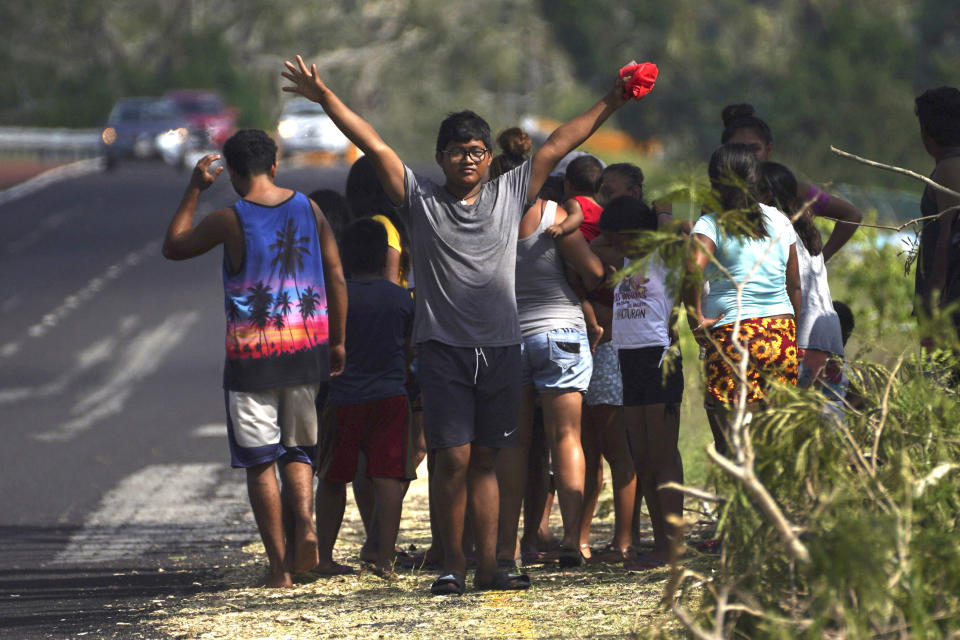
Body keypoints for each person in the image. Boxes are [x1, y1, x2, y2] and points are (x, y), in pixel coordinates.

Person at [281, 54, 648, 594]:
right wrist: (324, 98)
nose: (469, 159)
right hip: (442, 350)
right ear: (441, 157)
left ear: (487, 156)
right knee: (450, 460)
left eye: (477, 150)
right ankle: (452, 563)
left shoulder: (508, 194)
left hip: (502, 348)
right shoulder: (421, 200)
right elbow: (377, 145)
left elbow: (556, 145)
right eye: (458, 151)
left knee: (488, 460)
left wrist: (614, 100)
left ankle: (494, 563)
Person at [161, 130, 347, 588]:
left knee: (260, 460)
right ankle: (304, 523)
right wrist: (338, 341)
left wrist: (194, 188)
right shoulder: (310, 208)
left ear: (237, 174)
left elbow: (175, 245)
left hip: (253, 359)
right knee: (300, 450)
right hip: (306, 351)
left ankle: (280, 570)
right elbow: (336, 275)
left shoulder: (231, 219)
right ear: (276, 165)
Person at [491, 134, 606, 570]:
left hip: (509, 338)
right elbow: (593, 272)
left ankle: (509, 546)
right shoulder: (554, 216)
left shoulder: (487, 222)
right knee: (566, 438)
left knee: (514, 445)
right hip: (561, 333)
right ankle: (575, 542)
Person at [684, 143, 801, 454]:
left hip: (732, 337)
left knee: (732, 446)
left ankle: (738, 500)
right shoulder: (779, 219)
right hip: (780, 336)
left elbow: (691, 272)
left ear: (714, 181)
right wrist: (794, 336)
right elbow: (795, 285)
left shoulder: (711, 223)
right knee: (773, 440)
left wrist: (695, 318)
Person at [315, 218, 415, 579]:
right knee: (389, 476)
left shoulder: (336, 297)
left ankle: (323, 557)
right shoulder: (400, 297)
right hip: (391, 397)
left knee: (332, 476)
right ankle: (383, 558)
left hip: (343, 397)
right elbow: (410, 346)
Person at [596, 195, 685, 569]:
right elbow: (595, 244)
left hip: (659, 359)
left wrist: (659, 216)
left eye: (623, 239)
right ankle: (658, 542)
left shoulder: (663, 257)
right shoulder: (627, 259)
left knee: (663, 457)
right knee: (643, 458)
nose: (616, 247)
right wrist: (624, 236)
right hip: (628, 360)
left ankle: (673, 545)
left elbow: (678, 230)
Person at [720, 103, 863, 262]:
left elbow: (852, 215)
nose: (747, 156)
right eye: (739, 149)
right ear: (725, 152)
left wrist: (820, 259)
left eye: (754, 149)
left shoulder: (796, 192)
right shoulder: (720, 196)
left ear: (769, 149)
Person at [759, 162, 844, 389]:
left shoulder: (774, 228)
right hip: (828, 337)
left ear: (766, 196)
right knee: (822, 415)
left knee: (790, 416)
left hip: (803, 336)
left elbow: (791, 286)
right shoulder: (803, 228)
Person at [914, 87, 960, 347]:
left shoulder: (950, 168)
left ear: (927, 132)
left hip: (951, 307)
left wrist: (933, 308)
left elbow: (949, 239)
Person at [549, 154, 605, 238]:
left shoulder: (574, 202)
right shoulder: (601, 210)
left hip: (582, 241)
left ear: (568, 184)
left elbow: (577, 217)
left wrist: (561, 228)